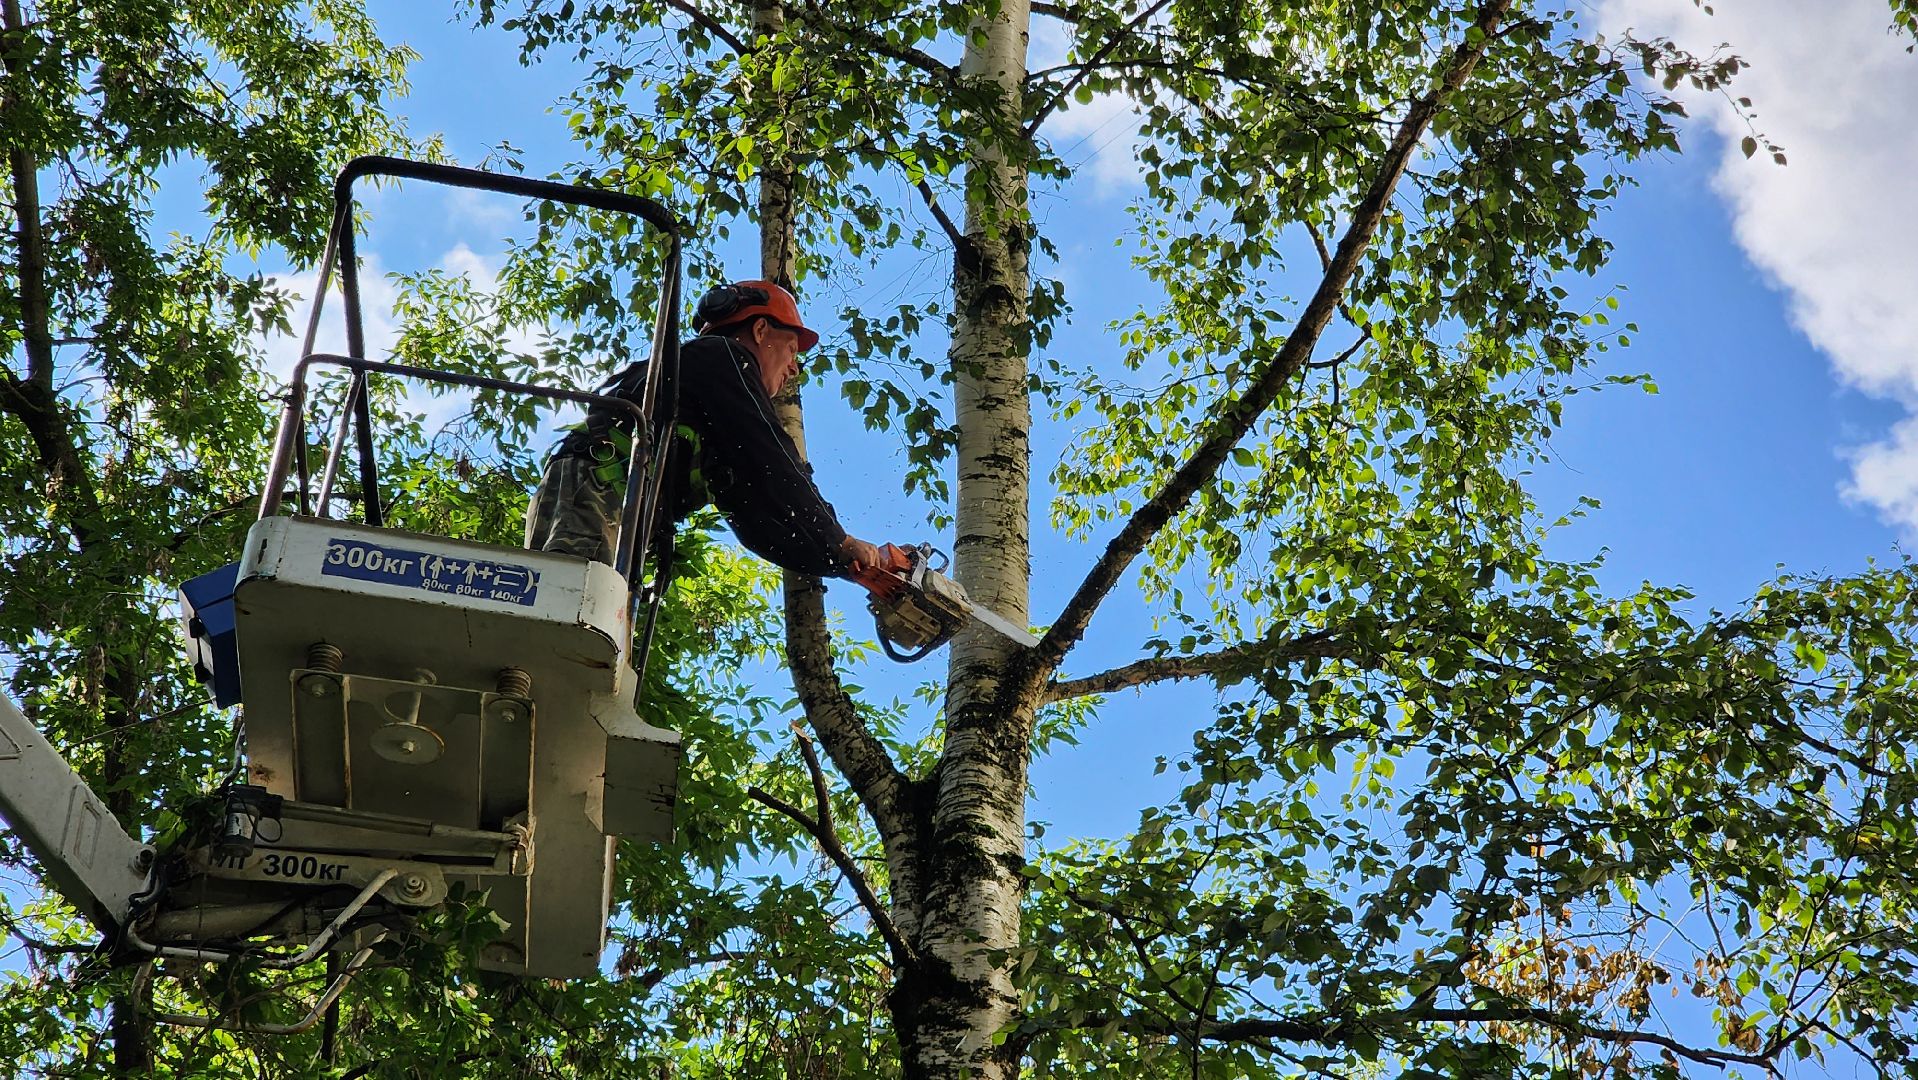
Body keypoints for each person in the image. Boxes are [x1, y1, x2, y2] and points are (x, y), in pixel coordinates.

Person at [525, 279, 883, 578]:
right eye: (791, 349)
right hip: (599, 490)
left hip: (602, 497)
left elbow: (757, 517)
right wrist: (839, 540)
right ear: (760, 330)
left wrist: (838, 562)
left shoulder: (713, 407)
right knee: (573, 603)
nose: (794, 368)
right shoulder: (723, 358)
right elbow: (772, 458)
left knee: (576, 611)